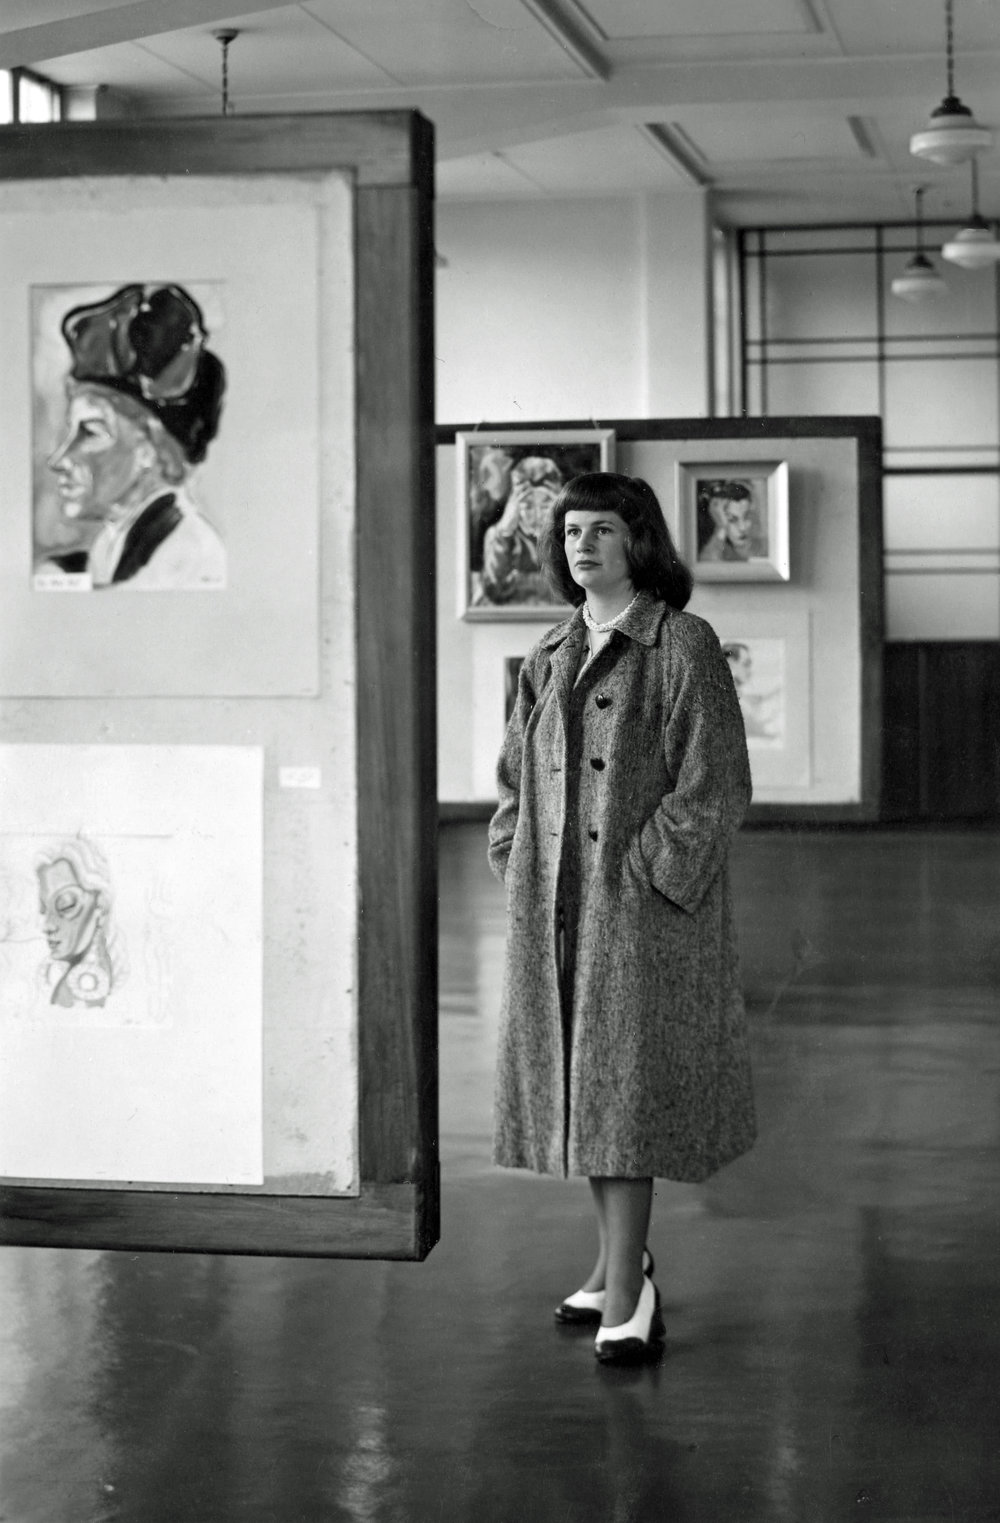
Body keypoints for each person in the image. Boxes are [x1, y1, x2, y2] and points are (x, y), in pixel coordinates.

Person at [488, 471, 755, 1364]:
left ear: (639, 540)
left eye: (602, 529)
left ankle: (635, 1296)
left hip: (638, 916)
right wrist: (517, 859)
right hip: (557, 912)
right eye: (571, 532)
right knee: (586, 1090)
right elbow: (513, 778)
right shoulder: (550, 650)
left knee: (621, 1097)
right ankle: (614, 1266)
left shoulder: (681, 642)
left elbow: (716, 783)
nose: (582, 545)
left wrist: (646, 875)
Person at [39, 283, 226, 590]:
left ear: (150, 449)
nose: (59, 459)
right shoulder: (107, 549)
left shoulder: (190, 558)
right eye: (72, 432)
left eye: (90, 432)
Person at [36, 838, 126, 1009]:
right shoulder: (75, 980)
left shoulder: (86, 991)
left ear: (100, 906)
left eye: (66, 905)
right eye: (44, 909)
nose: (47, 925)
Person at [479, 454, 563, 605]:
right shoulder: (499, 536)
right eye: (528, 506)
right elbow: (494, 589)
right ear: (514, 505)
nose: (537, 515)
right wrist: (504, 532)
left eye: (545, 506)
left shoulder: (568, 537)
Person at [697, 479, 756, 562]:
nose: (742, 528)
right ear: (720, 519)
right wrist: (721, 528)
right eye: (732, 520)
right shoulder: (718, 551)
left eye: (746, 517)